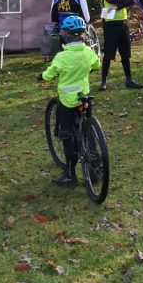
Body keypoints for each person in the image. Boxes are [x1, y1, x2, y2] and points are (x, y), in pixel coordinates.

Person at [41, 15, 100, 187]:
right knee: (87, 130)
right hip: (84, 96)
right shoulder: (88, 52)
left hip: (67, 100)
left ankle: (70, 173)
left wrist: (43, 76)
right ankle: (95, 169)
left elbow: (49, 74)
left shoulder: (61, 57)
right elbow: (96, 65)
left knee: (67, 135)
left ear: (65, 35)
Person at [97, 0, 141, 90]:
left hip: (123, 22)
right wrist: (123, 1)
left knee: (125, 53)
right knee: (108, 54)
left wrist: (119, 5)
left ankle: (129, 79)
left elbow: (131, 0)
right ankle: (103, 81)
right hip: (110, 23)